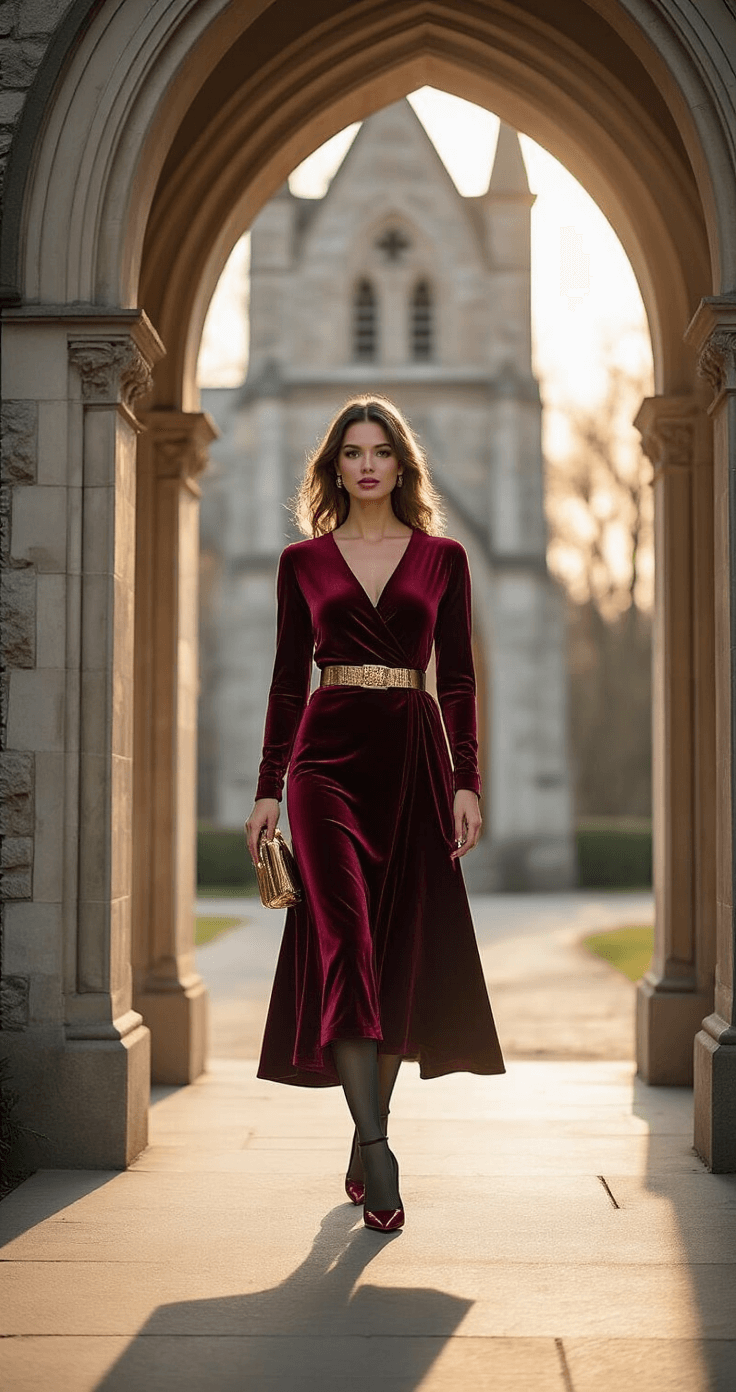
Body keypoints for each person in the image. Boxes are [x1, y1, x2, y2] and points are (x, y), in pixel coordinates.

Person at [244, 395, 505, 1233]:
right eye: (351, 451)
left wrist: (467, 779)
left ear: (401, 465)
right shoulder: (302, 562)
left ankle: (364, 1135)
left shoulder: (444, 558)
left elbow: (457, 677)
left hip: (415, 759)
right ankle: (380, 1147)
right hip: (326, 763)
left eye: (380, 450)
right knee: (347, 943)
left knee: (396, 953)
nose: (365, 464)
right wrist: (268, 788)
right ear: (334, 467)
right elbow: (289, 681)